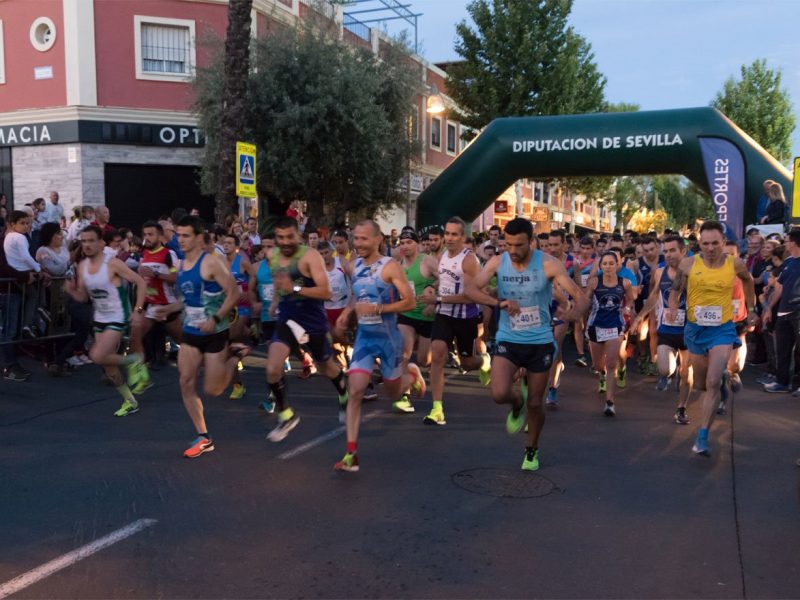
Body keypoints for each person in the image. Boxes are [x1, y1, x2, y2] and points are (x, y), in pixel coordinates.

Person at [467, 217, 588, 470]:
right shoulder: (498, 262)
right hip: (508, 339)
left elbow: (580, 296)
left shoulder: (548, 264)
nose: (512, 250)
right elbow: (472, 289)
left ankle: (531, 450)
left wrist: (575, 314)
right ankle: (515, 403)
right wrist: (498, 303)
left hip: (540, 341)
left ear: (531, 242)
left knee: (536, 401)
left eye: (518, 245)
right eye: (508, 244)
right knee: (499, 393)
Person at [332, 221, 425, 472]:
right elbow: (356, 295)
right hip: (364, 338)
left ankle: (411, 375)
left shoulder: (390, 267)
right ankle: (351, 453)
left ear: (378, 240)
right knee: (356, 390)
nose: (358, 243)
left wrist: (378, 308)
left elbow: (409, 302)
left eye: (364, 239)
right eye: (356, 238)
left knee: (393, 394)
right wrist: (347, 312)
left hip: (389, 339)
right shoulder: (354, 266)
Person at [667, 221, 756, 456]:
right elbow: (675, 291)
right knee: (700, 384)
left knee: (713, 382)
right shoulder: (688, 264)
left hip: (722, 329)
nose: (710, 248)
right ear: (700, 244)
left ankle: (703, 434)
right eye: (705, 243)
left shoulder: (733, 263)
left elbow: (748, 281)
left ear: (723, 243)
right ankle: (720, 375)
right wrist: (673, 307)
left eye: (715, 243)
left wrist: (753, 307)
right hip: (696, 329)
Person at [263, 216, 348, 441]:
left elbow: (326, 292)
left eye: (290, 237)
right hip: (288, 317)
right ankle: (286, 415)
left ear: (298, 236)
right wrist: (274, 303)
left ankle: (344, 394)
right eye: (280, 238)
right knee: (272, 368)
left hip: (313, 321)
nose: (285, 242)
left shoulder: (310, 256)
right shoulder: (272, 255)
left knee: (326, 367)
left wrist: (296, 287)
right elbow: (278, 281)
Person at [175, 216, 243, 458]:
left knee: (213, 390)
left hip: (215, 331)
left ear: (197, 237)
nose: (180, 240)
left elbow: (235, 292)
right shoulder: (181, 265)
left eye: (185, 235)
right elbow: (188, 299)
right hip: (190, 332)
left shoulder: (212, 263)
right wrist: (172, 308)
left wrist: (215, 318)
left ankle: (234, 357)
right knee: (185, 381)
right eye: (178, 235)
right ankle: (204, 436)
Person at [64, 225, 148, 417]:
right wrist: (71, 291)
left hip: (117, 317)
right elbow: (84, 297)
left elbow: (140, 282)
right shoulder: (83, 267)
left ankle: (135, 360)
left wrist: (138, 310)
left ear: (101, 243)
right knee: (109, 367)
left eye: (91, 240)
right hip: (100, 319)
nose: (87, 245)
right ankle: (130, 401)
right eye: (83, 241)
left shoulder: (113, 263)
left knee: (97, 355)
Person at [420, 217, 491, 426]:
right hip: (444, 314)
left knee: (467, 363)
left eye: (454, 234)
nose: (449, 238)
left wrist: (438, 298)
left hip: (465, 317)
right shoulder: (441, 256)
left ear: (462, 237)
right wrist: (433, 290)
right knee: (438, 353)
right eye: (447, 234)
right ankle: (437, 408)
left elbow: (471, 295)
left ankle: (484, 361)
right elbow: (444, 281)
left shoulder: (469, 260)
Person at [632, 234, 693, 423]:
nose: (668, 255)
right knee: (665, 369)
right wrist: (640, 317)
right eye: (665, 251)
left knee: (686, 373)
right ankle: (669, 373)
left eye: (672, 250)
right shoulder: (660, 272)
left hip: (690, 331)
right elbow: (653, 296)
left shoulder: (695, 271)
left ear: (683, 251)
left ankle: (681, 408)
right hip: (667, 329)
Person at [128, 221, 182, 391]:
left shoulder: (168, 254)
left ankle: (204, 365)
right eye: (145, 235)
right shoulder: (144, 254)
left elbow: (175, 278)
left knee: (185, 342)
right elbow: (143, 281)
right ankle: (143, 377)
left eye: (151, 234)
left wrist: (156, 274)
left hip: (168, 305)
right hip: (150, 305)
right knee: (135, 337)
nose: (147, 238)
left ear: (159, 236)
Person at [585, 251, 636, 416]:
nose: (608, 267)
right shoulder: (594, 282)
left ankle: (610, 402)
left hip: (615, 327)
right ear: (600, 266)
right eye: (604, 264)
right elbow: (585, 302)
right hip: (595, 326)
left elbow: (631, 299)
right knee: (598, 365)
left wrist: (628, 310)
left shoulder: (625, 283)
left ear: (617, 265)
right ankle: (602, 374)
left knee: (612, 364)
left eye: (611, 263)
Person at [396, 229, 439, 413]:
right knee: (403, 353)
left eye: (409, 243)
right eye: (402, 243)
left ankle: (414, 372)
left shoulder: (427, 261)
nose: (405, 246)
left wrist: (432, 294)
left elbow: (445, 279)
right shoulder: (398, 265)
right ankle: (403, 397)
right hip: (407, 315)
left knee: (424, 360)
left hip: (428, 316)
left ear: (417, 244)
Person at [761, 230, 800, 392]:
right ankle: (781, 382)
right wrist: (769, 308)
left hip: (798, 311)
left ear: (794, 243)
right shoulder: (789, 261)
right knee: (782, 349)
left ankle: (797, 384)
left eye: (787, 241)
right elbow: (780, 287)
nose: (785, 244)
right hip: (783, 312)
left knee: (799, 351)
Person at [222, 232, 253, 399]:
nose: (226, 245)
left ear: (236, 247)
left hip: (242, 307)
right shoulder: (220, 263)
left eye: (229, 243)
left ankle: (237, 385)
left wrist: (249, 292)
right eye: (224, 243)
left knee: (230, 339)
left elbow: (255, 276)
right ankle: (249, 341)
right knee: (230, 343)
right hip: (228, 308)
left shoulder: (243, 262)